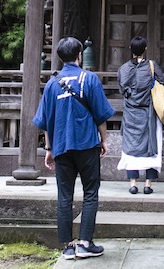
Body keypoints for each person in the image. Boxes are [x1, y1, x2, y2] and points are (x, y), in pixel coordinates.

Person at [33, 36, 115, 261]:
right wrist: (104, 139)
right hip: (87, 144)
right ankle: (85, 243)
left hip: (60, 145)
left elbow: (46, 121)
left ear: (60, 57)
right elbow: (100, 114)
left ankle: (67, 246)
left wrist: (49, 148)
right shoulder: (89, 79)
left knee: (64, 195)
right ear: (79, 55)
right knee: (90, 192)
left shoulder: (51, 84)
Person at [117, 35, 164, 194]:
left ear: (130, 49)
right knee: (151, 146)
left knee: (131, 147)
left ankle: (133, 183)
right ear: (145, 49)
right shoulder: (152, 66)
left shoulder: (124, 69)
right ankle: (148, 184)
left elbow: (121, 88)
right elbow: (163, 81)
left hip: (131, 113)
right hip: (148, 113)